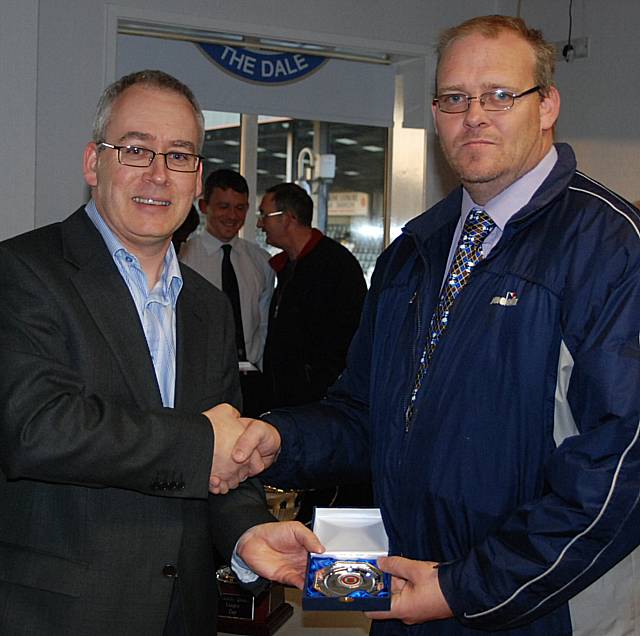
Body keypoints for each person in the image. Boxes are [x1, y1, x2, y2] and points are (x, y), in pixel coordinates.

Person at [226, 14, 640, 636]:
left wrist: (464, 587)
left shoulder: (610, 247)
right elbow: (367, 413)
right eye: (454, 97)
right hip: (408, 590)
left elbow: (619, 465)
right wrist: (280, 441)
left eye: (500, 94)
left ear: (547, 104)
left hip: (535, 605)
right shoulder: (413, 251)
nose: (474, 114)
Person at [0, 69, 318, 636]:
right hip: (60, 614)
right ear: (93, 163)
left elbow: (227, 458)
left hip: (186, 615)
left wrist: (250, 534)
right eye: (136, 150)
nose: (157, 173)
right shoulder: (22, 272)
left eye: (179, 155)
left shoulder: (207, 307)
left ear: (196, 179)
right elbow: (37, 428)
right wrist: (202, 444)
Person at [257, 182, 367, 408]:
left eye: (264, 215)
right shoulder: (287, 266)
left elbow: (350, 338)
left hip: (319, 408)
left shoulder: (335, 266)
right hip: (286, 404)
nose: (260, 223)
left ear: (287, 219)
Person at [180, 170, 275, 416]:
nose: (232, 216)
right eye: (223, 206)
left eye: (240, 208)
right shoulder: (183, 258)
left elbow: (263, 325)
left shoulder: (261, 261)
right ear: (204, 206)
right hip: (201, 383)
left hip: (252, 382)